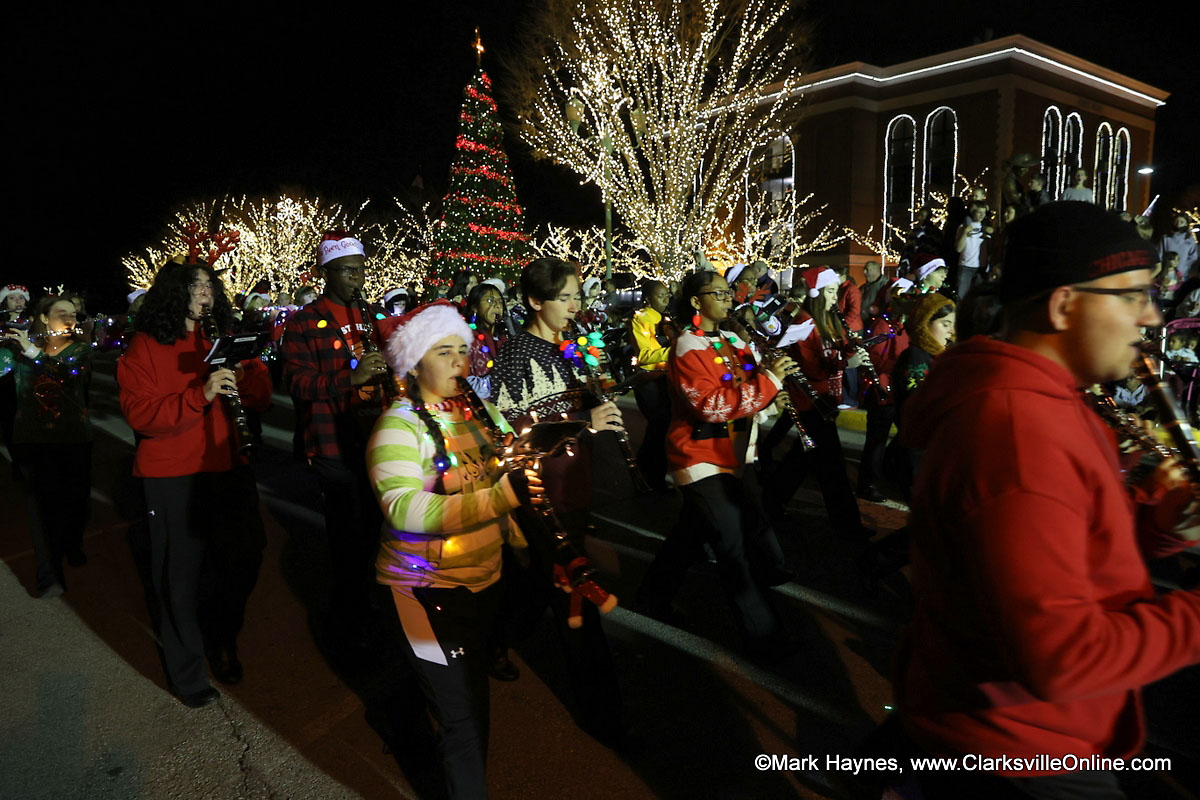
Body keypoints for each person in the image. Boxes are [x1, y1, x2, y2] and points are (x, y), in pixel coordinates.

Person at [893, 201, 1200, 798]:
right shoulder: (1019, 432)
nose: (1153, 317)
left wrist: (1160, 524)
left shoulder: (1052, 401)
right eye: (1133, 295)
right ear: (1064, 304)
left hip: (1034, 737)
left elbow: (1069, 548)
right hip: (1021, 755)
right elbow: (1064, 659)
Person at [368, 300, 541, 799]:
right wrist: (501, 498)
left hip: (480, 581)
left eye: (463, 351)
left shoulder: (475, 415)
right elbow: (402, 508)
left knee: (458, 699)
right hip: (419, 594)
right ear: (416, 362)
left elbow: (505, 469)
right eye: (444, 352)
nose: (459, 363)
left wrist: (521, 534)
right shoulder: (397, 426)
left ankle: (399, 711)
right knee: (465, 715)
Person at [118, 257, 271, 706]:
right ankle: (188, 672)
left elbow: (260, 399)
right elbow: (142, 416)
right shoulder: (143, 347)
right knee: (179, 578)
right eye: (194, 285)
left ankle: (220, 638)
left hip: (229, 466)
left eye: (209, 284)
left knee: (245, 556)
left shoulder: (220, 337)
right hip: (174, 476)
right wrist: (199, 395)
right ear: (172, 292)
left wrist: (249, 372)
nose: (205, 292)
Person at [490, 257, 630, 746]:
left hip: (575, 481)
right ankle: (603, 712)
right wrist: (581, 423)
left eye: (576, 297)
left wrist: (599, 393)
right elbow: (513, 439)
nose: (574, 307)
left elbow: (589, 398)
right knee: (576, 583)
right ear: (535, 301)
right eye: (564, 298)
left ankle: (495, 638)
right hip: (539, 491)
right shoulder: (511, 356)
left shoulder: (574, 347)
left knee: (537, 581)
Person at [637, 269, 797, 656]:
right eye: (719, 293)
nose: (729, 300)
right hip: (701, 457)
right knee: (733, 546)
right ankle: (764, 635)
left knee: (690, 535)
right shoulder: (686, 347)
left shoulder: (731, 339)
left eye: (729, 293)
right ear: (696, 301)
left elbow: (748, 391)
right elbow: (711, 405)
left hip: (736, 454)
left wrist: (770, 391)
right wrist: (768, 385)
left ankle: (650, 598)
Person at [282, 232, 395, 634]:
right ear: (325, 272)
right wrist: (352, 376)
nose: (357, 279)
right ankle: (351, 620)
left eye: (362, 270)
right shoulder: (303, 322)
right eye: (348, 271)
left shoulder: (367, 314)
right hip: (334, 445)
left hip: (377, 440)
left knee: (379, 532)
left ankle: (374, 606)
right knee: (348, 541)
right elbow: (298, 385)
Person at [765, 267, 872, 539]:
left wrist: (851, 350)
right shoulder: (804, 322)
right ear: (817, 293)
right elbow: (811, 367)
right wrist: (847, 362)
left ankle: (768, 506)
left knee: (800, 463)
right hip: (811, 404)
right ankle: (848, 527)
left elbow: (835, 350)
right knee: (832, 469)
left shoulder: (828, 319)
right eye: (832, 291)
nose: (836, 297)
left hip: (826, 401)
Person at [1, 294, 93, 596]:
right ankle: (49, 575)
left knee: (74, 503)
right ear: (43, 317)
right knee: (39, 508)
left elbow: (68, 375)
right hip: (32, 441)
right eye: (62, 313)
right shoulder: (17, 349)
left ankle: (72, 542)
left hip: (73, 440)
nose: (70, 319)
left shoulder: (79, 349)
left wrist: (34, 354)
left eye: (74, 314)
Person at [628, 280, 674, 491]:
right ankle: (649, 477)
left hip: (666, 378)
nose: (666, 299)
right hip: (649, 380)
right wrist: (676, 350)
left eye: (667, 295)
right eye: (660, 296)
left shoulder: (669, 318)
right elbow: (645, 355)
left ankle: (645, 474)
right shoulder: (641, 319)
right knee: (659, 426)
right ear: (648, 298)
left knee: (661, 429)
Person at [463, 281, 506, 401]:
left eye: (500, 302)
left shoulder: (503, 338)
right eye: (490, 301)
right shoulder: (467, 339)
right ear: (474, 307)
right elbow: (465, 383)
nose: (497, 306)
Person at [954, 202, 989, 298]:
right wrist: (965, 232)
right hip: (966, 266)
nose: (982, 215)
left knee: (979, 298)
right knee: (962, 297)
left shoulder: (986, 228)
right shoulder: (963, 227)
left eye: (984, 212)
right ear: (973, 212)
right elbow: (958, 248)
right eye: (979, 212)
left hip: (981, 267)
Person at [1158, 214, 1198, 278]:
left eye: (1182, 222)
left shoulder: (1190, 240)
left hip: (1183, 274)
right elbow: (1160, 254)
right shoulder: (1166, 238)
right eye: (1177, 221)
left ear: (1186, 224)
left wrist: (1185, 268)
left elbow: (1193, 257)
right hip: (1167, 272)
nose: (1178, 224)